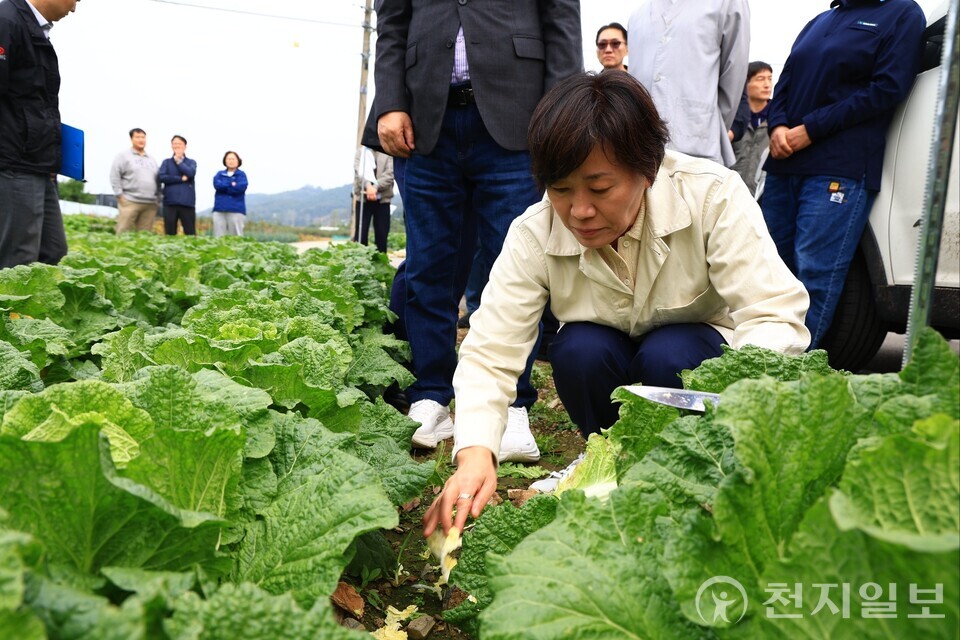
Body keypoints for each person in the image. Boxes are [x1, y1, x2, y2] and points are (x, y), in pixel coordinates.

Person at [423, 72, 810, 536]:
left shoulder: (712, 195)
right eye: (561, 189)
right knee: (578, 348)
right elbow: (491, 351)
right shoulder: (534, 232)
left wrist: (742, 422)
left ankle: (693, 472)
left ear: (647, 170)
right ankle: (607, 462)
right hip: (605, 359)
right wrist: (474, 454)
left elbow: (772, 314)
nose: (579, 211)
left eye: (599, 188)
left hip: (695, 356)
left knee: (671, 352)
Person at [365, 0, 583, 461]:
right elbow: (391, 23)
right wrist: (389, 103)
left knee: (512, 268)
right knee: (428, 267)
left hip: (518, 115)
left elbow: (560, 18)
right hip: (426, 120)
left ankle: (511, 405)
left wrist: (562, 111)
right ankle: (431, 396)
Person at [761, 0, 925, 349]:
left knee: (814, 276)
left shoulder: (902, 13)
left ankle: (788, 374)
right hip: (785, 163)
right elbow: (786, 82)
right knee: (766, 272)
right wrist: (776, 126)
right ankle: (752, 363)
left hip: (839, 166)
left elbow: (886, 89)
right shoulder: (820, 20)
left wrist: (811, 128)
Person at [0, 0, 79, 269]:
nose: (75, 8)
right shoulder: (6, 20)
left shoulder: (34, 29)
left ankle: (27, 312)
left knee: (53, 252)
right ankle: (9, 311)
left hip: (39, 164)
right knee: (18, 260)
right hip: (13, 163)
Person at [628, 0, 749, 167]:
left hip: (697, 146)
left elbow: (734, 74)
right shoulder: (637, 16)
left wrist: (704, 122)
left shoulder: (726, 3)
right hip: (641, 149)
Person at [731, 61, 773, 196]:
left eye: (770, 79)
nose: (767, 85)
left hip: (761, 195)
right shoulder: (733, 118)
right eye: (760, 79)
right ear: (745, 84)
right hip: (729, 191)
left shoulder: (777, 120)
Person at [110, 128, 160, 234]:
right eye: (137, 137)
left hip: (150, 203)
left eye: (143, 137)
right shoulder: (123, 156)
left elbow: (158, 179)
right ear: (131, 139)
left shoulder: (151, 159)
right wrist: (119, 194)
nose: (141, 140)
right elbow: (115, 175)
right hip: (130, 201)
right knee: (123, 232)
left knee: (144, 237)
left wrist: (159, 198)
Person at [352, 146, 394, 253]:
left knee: (382, 234)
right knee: (361, 233)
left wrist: (374, 187)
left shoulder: (388, 152)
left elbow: (390, 174)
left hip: (383, 199)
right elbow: (358, 172)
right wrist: (368, 186)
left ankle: (381, 264)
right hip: (363, 199)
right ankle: (360, 263)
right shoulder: (361, 152)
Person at [157, 134, 197, 236]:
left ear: (185, 146)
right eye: (174, 144)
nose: (177, 146)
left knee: (190, 233)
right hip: (170, 202)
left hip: (187, 202)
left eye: (179, 144)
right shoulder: (166, 162)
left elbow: (191, 173)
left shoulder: (191, 162)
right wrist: (180, 179)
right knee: (170, 233)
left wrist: (179, 162)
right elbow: (162, 177)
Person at [212, 151, 248, 237]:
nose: (231, 161)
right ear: (225, 161)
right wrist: (231, 184)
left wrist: (226, 186)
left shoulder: (241, 175)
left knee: (236, 237)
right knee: (218, 237)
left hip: (236, 209)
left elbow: (240, 188)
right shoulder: (219, 174)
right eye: (229, 159)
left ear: (238, 161)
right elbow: (218, 186)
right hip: (219, 209)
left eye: (233, 159)